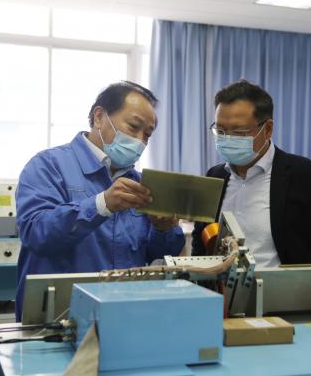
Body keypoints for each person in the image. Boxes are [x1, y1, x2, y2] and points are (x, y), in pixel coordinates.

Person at [15, 81, 184, 320]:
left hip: (122, 316)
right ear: (99, 117)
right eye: (133, 127)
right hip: (57, 319)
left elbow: (155, 254)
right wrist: (101, 204)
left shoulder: (139, 183)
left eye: (147, 135)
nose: (140, 141)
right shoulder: (48, 166)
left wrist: (163, 229)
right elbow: (36, 233)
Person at [192, 80, 311, 266]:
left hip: (287, 285)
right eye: (220, 131)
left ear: (267, 129)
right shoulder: (215, 176)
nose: (227, 139)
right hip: (221, 285)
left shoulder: (307, 176)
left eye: (238, 132)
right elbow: (200, 244)